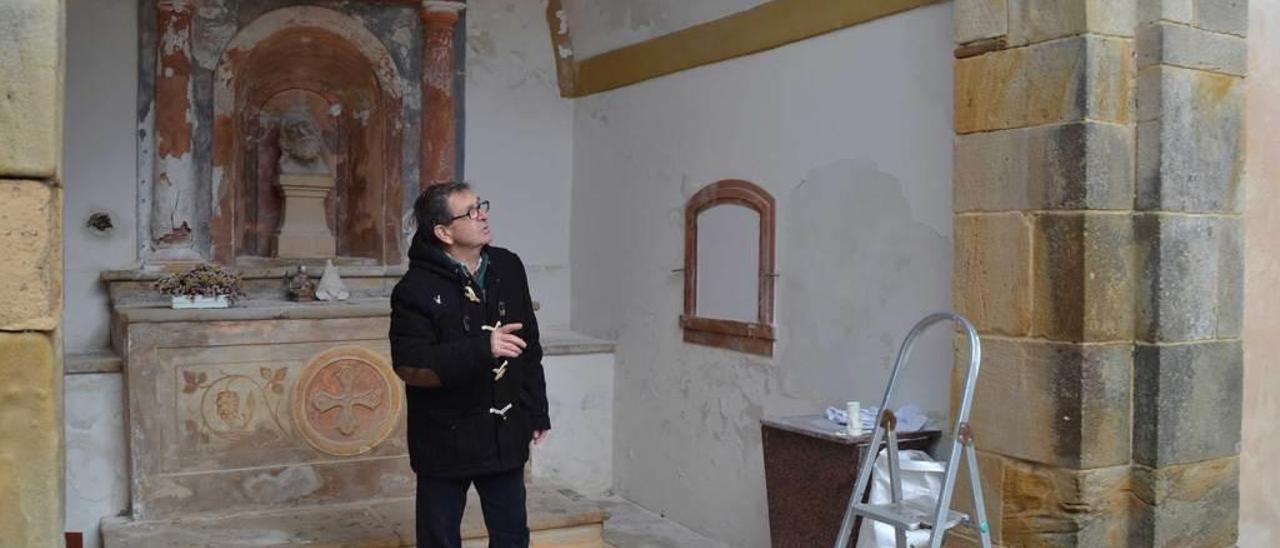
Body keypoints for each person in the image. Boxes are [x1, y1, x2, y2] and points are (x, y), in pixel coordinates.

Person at [389, 182, 550, 548]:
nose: (483, 214)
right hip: (445, 438)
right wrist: (483, 348)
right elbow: (411, 365)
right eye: (471, 211)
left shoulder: (508, 266)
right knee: (439, 539)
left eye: (481, 205)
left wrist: (536, 409)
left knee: (511, 536)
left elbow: (531, 347)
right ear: (444, 232)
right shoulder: (414, 288)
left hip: (504, 432)